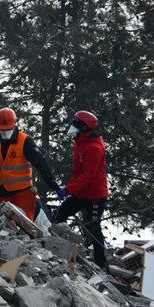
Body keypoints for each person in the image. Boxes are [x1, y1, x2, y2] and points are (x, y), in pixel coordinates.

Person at [0, 107, 61, 220]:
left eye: (8, 129)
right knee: (2, 224)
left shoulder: (25, 141)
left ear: (14, 125)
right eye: (2, 130)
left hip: (23, 193)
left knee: (24, 224)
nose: (5, 132)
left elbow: (41, 164)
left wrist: (54, 186)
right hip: (2, 193)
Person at [54, 110, 110, 271]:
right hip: (81, 192)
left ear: (84, 128)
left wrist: (68, 190)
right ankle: (56, 244)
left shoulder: (93, 147)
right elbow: (78, 171)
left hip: (95, 195)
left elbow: (88, 176)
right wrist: (71, 188)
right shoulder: (79, 143)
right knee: (61, 213)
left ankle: (102, 262)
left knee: (93, 226)